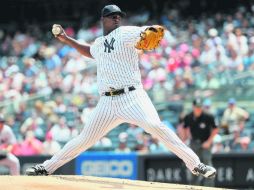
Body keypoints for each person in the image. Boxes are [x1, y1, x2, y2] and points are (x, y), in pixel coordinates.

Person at [26, 4, 216, 179]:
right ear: (103, 19)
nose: (117, 18)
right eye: (112, 15)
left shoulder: (125, 33)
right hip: (107, 103)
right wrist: (66, 39)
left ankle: (196, 164)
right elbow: (90, 51)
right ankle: (46, 167)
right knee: (84, 139)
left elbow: (147, 32)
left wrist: (150, 30)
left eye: (119, 16)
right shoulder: (99, 43)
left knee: (157, 127)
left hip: (133, 97)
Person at [181, 98, 218, 186]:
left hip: (206, 143)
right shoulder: (189, 116)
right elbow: (184, 127)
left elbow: (215, 129)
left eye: (200, 107)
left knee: (207, 163)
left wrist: (209, 141)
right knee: (194, 164)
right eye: (196, 107)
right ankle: (194, 186)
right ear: (193, 107)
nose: (198, 109)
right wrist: (186, 139)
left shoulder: (208, 116)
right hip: (194, 143)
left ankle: (209, 187)